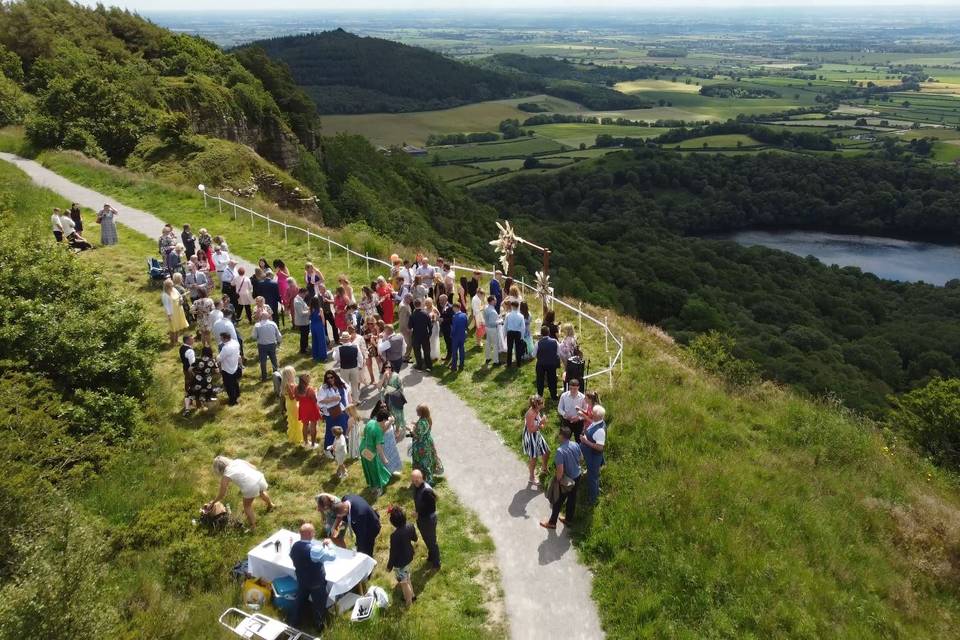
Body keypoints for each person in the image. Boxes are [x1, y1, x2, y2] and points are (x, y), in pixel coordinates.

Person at [288, 523, 335, 631]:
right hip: (316, 583)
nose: (314, 534)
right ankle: (319, 626)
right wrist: (330, 544)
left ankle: (293, 622)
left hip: (302, 580)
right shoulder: (314, 549)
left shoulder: (295, 546)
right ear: (310, 534)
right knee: (319, 605)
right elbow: (332, 556)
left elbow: (291, 555)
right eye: (313, 532)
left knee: (299, 601)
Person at [208, 455, 273, 529]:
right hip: (260, 478)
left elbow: (222, 494)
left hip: (250, 487)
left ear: (218, 470)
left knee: (247, 506)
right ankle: (271, 505)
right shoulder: (238, 461)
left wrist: (213, 502)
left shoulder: (226, 475)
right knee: (261, 492)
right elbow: (254, 467)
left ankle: (253, 526)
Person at [540, 425, 582, 530]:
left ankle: (552, 523)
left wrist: (558, 481)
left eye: (559, 434)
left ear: (561, 436)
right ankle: (568, 520)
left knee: (558, 501)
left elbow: (560, 470)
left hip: (566, 480)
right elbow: (581, 458)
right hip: (577, 476)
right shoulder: (576, 444)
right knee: (572, 499)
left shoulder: (560, 451)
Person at [324, 493, 381, 557]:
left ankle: (368, 559)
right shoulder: (345, 499)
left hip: (371, 527)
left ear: (345, 510)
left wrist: (359, 551)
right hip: (363, 521)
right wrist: (334, 527)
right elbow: (342, 517)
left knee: (366, 546)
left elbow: (361, 536)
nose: (340, 518)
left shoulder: (359, 515)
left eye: (342, 516)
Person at [386, 506, 418, 606]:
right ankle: (412, 595)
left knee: (403, 583)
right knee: (407, 578)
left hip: (400, 563)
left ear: (393, 522)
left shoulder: (394, 536)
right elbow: (415, 539)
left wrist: (389, 566)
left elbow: (393, 553)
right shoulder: (410, 526)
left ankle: (408, 602)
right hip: (409, 556)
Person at [359, 407, 393, 496]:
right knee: (375, 470)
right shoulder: (378, 431)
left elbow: (364, 433)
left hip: (363, 448)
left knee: (368, 468)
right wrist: (384, 459)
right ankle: (378, 488)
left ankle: (372, 484)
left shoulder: (371, 422)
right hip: (370, 453)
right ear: (384, 420)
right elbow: (379, 448)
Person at [411, 469, 441, 569]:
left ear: (422, 477)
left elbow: (432, 508)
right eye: (413, 480)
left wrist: (418, 513)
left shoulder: (427, 490)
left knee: (431, 541)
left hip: (428, 520)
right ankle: (432, 555)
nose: (415, 482)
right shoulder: (417, 487)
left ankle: (436, 563)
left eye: (417, 480)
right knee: (426, 539)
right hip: (421, 519)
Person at [408, 404, 443, 483]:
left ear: (422, 412)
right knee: (428, 461)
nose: (416, 412)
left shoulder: (421, 422)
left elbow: (417, 436)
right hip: (427, 442)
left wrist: (410, 429)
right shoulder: (427, 418)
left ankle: (425, 480)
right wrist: (415, 423)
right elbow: (424, 429)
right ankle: (428, 477)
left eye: (418, 411)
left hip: (421, 446)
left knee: (422, 462)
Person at [579, 405, 606, 504]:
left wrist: (586, 442)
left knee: (592, 477)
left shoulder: (600, 431)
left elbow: (600, 447)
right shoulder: (597, 422)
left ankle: (592, 500)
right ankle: (596, 490)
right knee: (593, 476)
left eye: (592, 413)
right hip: (589, 454)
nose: (590, 414)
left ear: (597, 416)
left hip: (593, 457)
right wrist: (586, 432)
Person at [319, 370, 350, 450]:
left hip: (344, 411)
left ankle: (344, 447)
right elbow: (320, 401)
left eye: (331, 377)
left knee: (345, 429)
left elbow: (348, 391)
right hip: (332, 414)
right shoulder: (324, 388)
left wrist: (350, 404)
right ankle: (330, 449)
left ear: (335, 376)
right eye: (328, 378)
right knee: (331, 432)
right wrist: (333, 399)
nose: (330, 379)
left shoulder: (340, 382)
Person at [523, 395, 550, 486]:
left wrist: (542, 423)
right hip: (531, 436)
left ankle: (544, 468)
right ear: (536, 404)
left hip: (536, 434)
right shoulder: (530, 413)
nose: (543, 404)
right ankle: (531, 478)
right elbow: (531, 430)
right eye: (541, 403)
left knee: (547, 451)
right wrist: (541, 423)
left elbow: (539, 426)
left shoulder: (536, 410)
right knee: (533, 458)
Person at [251, 311, 281, 381]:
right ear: (268, 317)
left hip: (262, 345)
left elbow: (254, 337)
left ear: (260, 317)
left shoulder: (257, 325)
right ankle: (276, 374)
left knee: (263, 361)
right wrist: (279, 341)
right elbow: (278, 335)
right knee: (274, 359)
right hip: (272, 344)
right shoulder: (273, 324)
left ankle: (264, 377)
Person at [533, 326, 561, 401]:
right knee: (552, 379)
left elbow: (533, 354)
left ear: (541, 334)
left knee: (540, 380)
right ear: (548, 333)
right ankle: (554, 395)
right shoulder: (555, 341)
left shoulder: (538, 343)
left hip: (541, 364)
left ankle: (540, 396)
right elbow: (559, 352)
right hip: (551, 364)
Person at [334, 333, 363, 403]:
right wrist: (360, 366)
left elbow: (336, 358)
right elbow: (360, 357)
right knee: (355, 385)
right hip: (354, 368)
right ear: (349, 339)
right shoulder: (355, 347)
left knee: (345, 386)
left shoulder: (339, 348)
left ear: (342, 340)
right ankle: (356, 400)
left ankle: (347, 401)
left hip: (344, 369)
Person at [189, 345, 219, 411]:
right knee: (208, 395)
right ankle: (209, 410)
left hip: (197, 380)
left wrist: (193, 375)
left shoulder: (198, 360)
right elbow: (217, 371)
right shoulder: (212, 360)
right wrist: (211, 373)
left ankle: (198, 407)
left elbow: (190, 369)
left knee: (197, 394)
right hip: (207, 381)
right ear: (210, 352)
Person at [161, 278, 189, 345]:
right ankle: (172, 342)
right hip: (172, 313)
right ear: (167, 286)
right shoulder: (165, 295)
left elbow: (180, 296)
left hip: (179, 310)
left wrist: (181, 300)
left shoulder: (174, 289)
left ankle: (176, 340)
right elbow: (166, 306)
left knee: (178, 326)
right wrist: (169, 315)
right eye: (171, 286)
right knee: (173, 327)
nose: (172, 287)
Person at [297, 373, 321, 448]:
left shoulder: (296, 389)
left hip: (303, 408)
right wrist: (316, 392)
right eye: (308, 378)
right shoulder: (310, 390)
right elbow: (315, 400)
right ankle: (313, 444)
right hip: (312, 408)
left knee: (305, 425)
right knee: (313, 425)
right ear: (306, 380)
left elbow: (297, 399)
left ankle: (305, 442)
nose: (309, 379)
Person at [379, 362, 406, 428]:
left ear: (392, 368)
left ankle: (397, 429)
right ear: (384, 368)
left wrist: (394, 392)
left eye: (389, 367)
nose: (388, 369)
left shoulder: (396, 376)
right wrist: (383, 377)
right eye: (386, 367)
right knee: (389, 414)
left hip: (395, 398)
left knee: (397, 415)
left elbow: (401, 387)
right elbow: (379, 387)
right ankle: (392, 426)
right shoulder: (382, 376)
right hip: (386, 398)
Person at [217, 332, 242, 405]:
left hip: (227, 369)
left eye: (221, 338)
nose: (220, 339)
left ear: (225, 338)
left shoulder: (226, 348)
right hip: (235, 365)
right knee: (235, 382)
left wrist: (217, 357)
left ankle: (233, 401)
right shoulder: (235, 343)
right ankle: (237, 394)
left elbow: (220, 358)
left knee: (229, 385)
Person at [409, 299, 433, 371]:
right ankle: (429, 365)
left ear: (414, 305)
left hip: (416, 335)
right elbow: (430, 325)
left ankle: (419, 365)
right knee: (426, 350)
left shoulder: (412, 315)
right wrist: (429, 333)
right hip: (425, 335)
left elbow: (410, 326)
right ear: (421, 304)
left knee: (417, 351)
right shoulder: (425, 314)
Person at [281, 366, 302, 445]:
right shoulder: (289, 385)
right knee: (296, 421)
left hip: (290, 404)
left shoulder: (286, 384)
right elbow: (292, 397)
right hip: (293, 405)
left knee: (293, 420)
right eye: (293, 373)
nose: (294, 374)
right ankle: (297, 438)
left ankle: (294, 437)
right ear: (289, 375)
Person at [504, 301, 525, 367]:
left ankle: (509, 364)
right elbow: (523, 327)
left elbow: (505, 325)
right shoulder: (521, 316)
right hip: (518, 333)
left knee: (509, 348)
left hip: (510, 332)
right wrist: (522, 336)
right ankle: (518, 364)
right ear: (518, 306)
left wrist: (504, 334)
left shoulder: (508, 315)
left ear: (512, 306)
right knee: (518, 349)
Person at [179, 334, 196, 415]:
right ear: (187, 341)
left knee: (187, 384)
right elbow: (192, 363)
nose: (193, 340)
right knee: (192, 386)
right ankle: (192, 402)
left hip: (185, 369)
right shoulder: (190, 351)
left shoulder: (182, 347)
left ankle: (188, 402)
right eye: (192, 339)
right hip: (190, 370)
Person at [449, 302, 468, 372]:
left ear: (455, 308)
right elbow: (466, 325)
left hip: (455, 336)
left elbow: (453, 328)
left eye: (453, 308)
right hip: (462, 335)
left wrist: (451, 335)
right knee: (462, 350)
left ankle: (454, 367)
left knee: (454, 352)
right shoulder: (464, 315)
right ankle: (461, 365)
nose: (453, 309)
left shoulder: (454, 317)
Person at [483, 295, 501, 366]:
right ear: (492, 301)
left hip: (487, 328)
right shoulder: (492, 311)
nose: (496, 301)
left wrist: (498, 316)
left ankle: (488, 357)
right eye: (495, 300)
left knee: (488, 343)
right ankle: (496, 361)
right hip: (492, 329)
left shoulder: (486, 308)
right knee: (495, 345)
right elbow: (492, 323)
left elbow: (488, 318)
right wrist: (500, 321)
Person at [309, 296, 327, 362]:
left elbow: (309, 317)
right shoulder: (320, 309)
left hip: (313, 326)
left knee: (315, 340)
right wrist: (323, 326)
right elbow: (323, 319)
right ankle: (323, 356)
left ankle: (315, 355)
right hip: (319, 326)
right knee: (321, 341)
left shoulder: (310, 309)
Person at [293, 289, 311, 355]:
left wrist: (308, 308)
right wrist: (310, 311)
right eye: (305, 294)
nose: (305, 296)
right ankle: (303, 350)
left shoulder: (300, 299)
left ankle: (305, 347)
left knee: (305, 335)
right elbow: (301, 313)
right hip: (302, 322)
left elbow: (305, 307)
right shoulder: (297, 301)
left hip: (305, 321)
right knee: (303, 336)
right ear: (302, 293)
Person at [424, 298, 442, 362]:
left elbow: (439, 316)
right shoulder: (425, 309)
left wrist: (434, 320)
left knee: (433, 340)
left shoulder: (434, 309)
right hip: (427, 326)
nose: (426, 305)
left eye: (428, 303)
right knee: (428, 340)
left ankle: (434, 355)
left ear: (431, 303)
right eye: (426, 303)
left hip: (434, 326)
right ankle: (428, 353)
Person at [437, 294, 454, 362]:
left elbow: (451, 319)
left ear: (445, 300)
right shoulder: (442, 306)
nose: (440, 301)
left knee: (450, 343)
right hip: (445, 328)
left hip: (449, 329)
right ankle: (449, 356)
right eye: (440, 300)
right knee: (447, 342)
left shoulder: (450, 307)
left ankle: (451, 357)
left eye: (441, 300)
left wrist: (443, 319)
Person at [398, 294, 413, 362]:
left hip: (406, 327)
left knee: (408, 342)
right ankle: (406, 357)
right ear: (406, 298)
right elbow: (403, 319)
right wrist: (407, 329)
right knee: (409, 343)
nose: (411, 301)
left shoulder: (405, 303)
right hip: (406, 328)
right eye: (410, 300)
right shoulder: (403, 306)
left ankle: (407, 355)